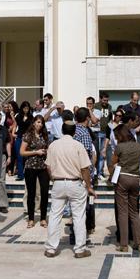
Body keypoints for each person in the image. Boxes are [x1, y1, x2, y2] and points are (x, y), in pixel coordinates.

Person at [43, 121, 95, 259]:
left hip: (58, 182)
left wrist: (54, 179)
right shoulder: (78, 146)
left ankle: (51, 248)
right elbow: (85, 168)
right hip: (74, 183)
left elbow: (48, 166)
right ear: (74, 132)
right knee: (78, 216)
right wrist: (89, 186)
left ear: (62, 130)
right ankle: (79, 249)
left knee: (54, 216)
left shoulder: (53, 145)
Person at [111, 124, 140, 252]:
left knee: (123, 212)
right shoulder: (137, 146)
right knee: (134, 211)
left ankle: (124, 244)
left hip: (123, 178)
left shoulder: (120, 147)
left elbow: (113, 162)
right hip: (135, 179)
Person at [21, 114, 51, 228]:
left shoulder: (44, 135)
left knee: (44, 192)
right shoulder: (28, 135)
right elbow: (22, 152)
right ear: (34, 123)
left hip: (43, 166)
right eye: (38, 122)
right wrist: (36, 152)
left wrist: (46, 151)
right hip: (31, 167)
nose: (40, 124)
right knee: (31, 193)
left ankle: (43, 218)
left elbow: (48, 147)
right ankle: (31, 218)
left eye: (41, 122)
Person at [74, 107, 97, 235]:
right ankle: (87, 227)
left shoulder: (73, 131)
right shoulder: (84, 133)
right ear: (87, 118)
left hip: (73, 172)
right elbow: (87, 157)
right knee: (87, 202)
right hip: (83, 173)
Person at [14, 100, 33, 180]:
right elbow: (15, 125)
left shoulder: (31, 117)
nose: (26, 110)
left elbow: (31, 128)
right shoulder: (18, 116)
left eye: (27, 108)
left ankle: (28, 174)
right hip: (19, 137)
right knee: (19, 156)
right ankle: (20, 175)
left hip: (28, 139)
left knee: (28, 157)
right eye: (24, 108)